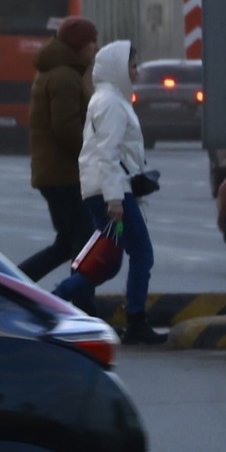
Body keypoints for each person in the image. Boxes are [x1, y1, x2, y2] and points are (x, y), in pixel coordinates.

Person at [56, 40, 164, 345]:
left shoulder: (109, 99)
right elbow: (107, 153)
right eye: (132, 67)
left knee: (109, 259)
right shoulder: (112, 104)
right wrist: (115, 198)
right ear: (118, 69)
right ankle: (136, 321)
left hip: (107, 191)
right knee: (140, 252)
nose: (137, 72)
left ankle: (53, 303)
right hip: (112, 195)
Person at [20, 16, 98, 281]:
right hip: (64, 176)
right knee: (86, 243)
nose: (95, 48)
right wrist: (92, 154)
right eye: (90, 42)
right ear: (78, 45)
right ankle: (78, 301)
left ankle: (16, 284)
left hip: (56, 174)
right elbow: (65, 128)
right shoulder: (64, 77)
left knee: (68, 243)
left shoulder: (60, 72)